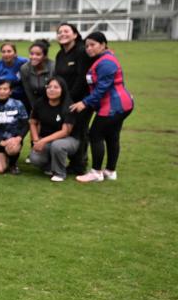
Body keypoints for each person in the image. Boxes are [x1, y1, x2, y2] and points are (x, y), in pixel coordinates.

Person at [70, 32, 134, 183]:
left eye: (93, 45)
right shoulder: (103, 59)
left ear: (103, 44)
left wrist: (84, 103)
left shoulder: (106, 62)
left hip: (113, 105)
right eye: (87, 46)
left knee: (95, 134)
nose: (89, 49)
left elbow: (101, 89)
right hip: (120, 104)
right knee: (112, 136)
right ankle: (110, 171)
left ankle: (96, 172)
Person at [55, 22, 93, 174]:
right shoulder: (60, 54)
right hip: (65, 100)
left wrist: (71, 99)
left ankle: (80, 164)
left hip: (81, 100)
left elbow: (82, 78)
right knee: (68, 129)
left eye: (66, 31)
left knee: (80, 130)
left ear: (75, 35)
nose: (62, 34)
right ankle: (70, 162)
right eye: (59, 32)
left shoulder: (81, 52)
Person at [28, 76, 81, 182]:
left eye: (56, 87)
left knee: (57, 145)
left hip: (69, 140)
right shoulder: (40, 103)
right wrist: (36, 140)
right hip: (47, 139)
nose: (51, 89)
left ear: (63, 90)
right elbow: (33, 122)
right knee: (35, 158)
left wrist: (43, 140)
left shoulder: (69, 105)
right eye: (49, 87)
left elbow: (65, 132)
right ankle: (50, 167)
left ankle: (60, 173)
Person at [0, 80, 29, 175]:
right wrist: (0, 141)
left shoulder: (18, 104)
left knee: (12, 149)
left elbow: (26, 124)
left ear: (10, 91)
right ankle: (2, 157)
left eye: (5, 89)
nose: (2, 91)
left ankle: (13, 164)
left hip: (13, 141)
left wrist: (19, 138)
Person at [20, 39, 55, 113]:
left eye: (38, 54)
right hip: (34, 103)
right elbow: (28, 92)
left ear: (45, 56)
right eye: (31, 54)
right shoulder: (25, 69)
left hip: (52, 101)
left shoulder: (54, 67)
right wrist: (36, 109)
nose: (33, 57)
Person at [0, 42, 28, 107]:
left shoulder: (24, 62)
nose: (6, 54)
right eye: (3, 52)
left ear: (15, 53)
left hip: (23, 98)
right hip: (5, 99)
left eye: (9, 51)